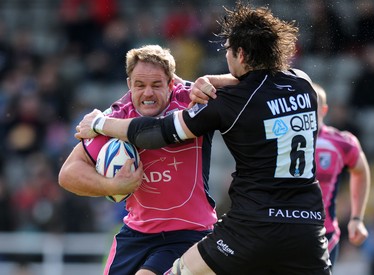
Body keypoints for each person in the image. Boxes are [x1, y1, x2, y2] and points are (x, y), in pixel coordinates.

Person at [75, 2, 331, 274]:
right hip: (308, 228)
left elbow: (156, 134)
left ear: (241, 54)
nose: (227, 59)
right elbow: (261, 82)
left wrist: (101, 123)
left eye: (228, 52)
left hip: (250, 228)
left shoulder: (228, 102)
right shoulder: (303, 84)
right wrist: (211, 78)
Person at [59, 45, 222, 275]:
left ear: (171, 84)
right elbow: (68, 174)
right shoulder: (117, 115)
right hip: (135, 234)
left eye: (156, 85)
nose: (147, 93)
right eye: (140, 85)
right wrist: (113, 186)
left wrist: (210, 81)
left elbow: (238, 86)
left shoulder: (192, 100)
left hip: (189, 234)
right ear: (129, 85)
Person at [313, 83, 370, 266]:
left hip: (324, 234)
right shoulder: (280, 139)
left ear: (324, 110)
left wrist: (356, 218)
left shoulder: (341, 143)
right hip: (284, 231)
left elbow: (361, 172)